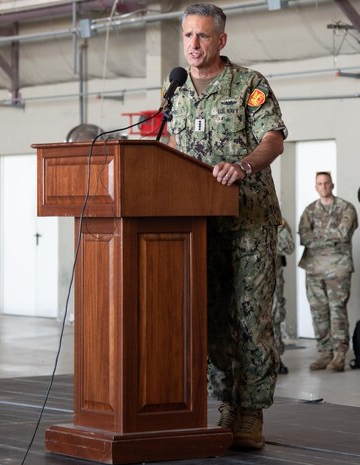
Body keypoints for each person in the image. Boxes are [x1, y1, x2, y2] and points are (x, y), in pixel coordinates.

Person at [165, 3, 287, 450]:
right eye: (187, 36)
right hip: (198, 221)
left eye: (202, 36)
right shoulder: (174, 87)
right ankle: (226, 405)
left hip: (248, 219)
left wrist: (243, 165)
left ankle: (251, 411)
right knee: (212, 316)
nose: (193, 45)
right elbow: (173, 141)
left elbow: (272, 138)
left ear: (221, 40)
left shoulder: (249, 85)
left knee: (250, 316)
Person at [298, 172, 357, 372]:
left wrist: (317, 237)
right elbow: (304, 237)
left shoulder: (346, 208)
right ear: (316, 187)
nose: (323, 186)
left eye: (326, 183)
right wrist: (327, 239)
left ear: (332, 184)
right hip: (313, 269)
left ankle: (339, 355)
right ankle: (325, 353)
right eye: (319, 184)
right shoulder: (309, 210)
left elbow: (343, 233)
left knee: (337, 311)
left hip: (338, 269)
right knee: (318, 312)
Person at [273, 218, 295, 375]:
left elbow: (288, 247)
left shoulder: (275, 218)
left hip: (273, 276)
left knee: (274, 315)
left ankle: (275, 359)